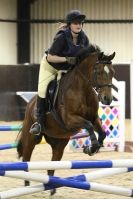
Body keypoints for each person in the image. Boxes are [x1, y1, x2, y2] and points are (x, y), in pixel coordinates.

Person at [29, 10, 90, 135]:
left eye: (80, 23)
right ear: (69, 24)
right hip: (50, 66)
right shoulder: (62, 37)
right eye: (75, 23)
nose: (79, 25)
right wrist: (66, 59)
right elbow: (50, 57)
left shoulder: (84, 38)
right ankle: (39, 123)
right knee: (42, 89)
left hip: (67, 68)